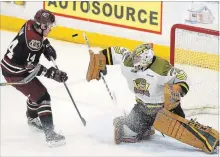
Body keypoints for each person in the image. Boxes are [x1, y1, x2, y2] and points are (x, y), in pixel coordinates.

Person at [86, 43, 220, 154]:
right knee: (122, 132)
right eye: (134, 58)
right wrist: (99, 59)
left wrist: (177, 89)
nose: (134, 62)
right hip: (142, 108)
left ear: (147, 59)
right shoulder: (128, 61)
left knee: (181, 130)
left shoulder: (161, 68)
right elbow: (115, 51)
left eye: (138, 60)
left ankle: (209, 139)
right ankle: (145, 128)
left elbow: (182, 76)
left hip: (164, 108)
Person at [0, 9, 68, 147]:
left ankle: (32, 119)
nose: (51, 28)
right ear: (42, 26)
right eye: (49, 26)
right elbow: (31, 67)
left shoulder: (30, 24)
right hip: (16, 74)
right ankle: (51, 136)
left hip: (12, 66)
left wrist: (46, 46)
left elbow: (34, 42)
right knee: (43, 97)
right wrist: (52, 73)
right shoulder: (34, 43)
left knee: (37, 92)